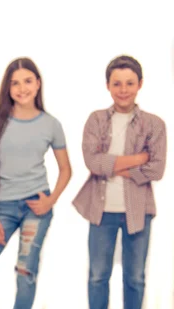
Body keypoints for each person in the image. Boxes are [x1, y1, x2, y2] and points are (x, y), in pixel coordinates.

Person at [0, 57, 72, 309]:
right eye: (15, 83)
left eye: (27, 81)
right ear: (8, 88)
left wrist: (51, 200)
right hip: (1, 208)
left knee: (26, 272)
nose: (22, 88)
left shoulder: (51, 124)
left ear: (38, 83)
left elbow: (66, 169)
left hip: (37, 203)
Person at [73, 55, 167, 309]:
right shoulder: (96, 120)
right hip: (101, 210)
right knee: (97, 276)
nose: (123, 90)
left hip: (138, 212)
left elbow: (156, 170)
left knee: (135, 278)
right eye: (117, 84)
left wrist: (112, 166)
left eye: (129, 83)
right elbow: (92, 163)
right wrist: (138, 159)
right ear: (108, 86)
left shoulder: (154, 124)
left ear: (140, 84)